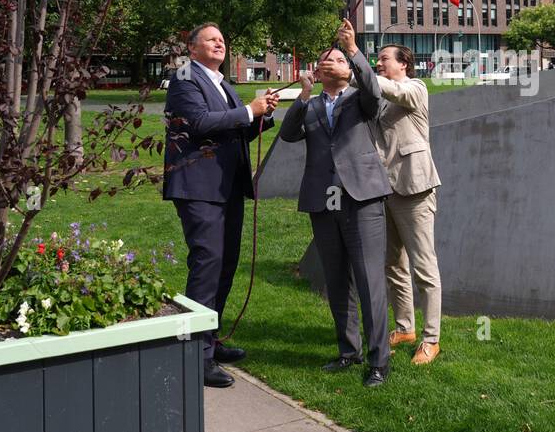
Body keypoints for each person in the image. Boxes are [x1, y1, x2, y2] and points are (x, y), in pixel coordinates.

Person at [278, 21, 393, 386]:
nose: (332, 61)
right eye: (327, 58)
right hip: (322, 200)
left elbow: (375, 93)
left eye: (339, 60)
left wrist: (354, 49)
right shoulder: (310, 106)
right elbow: (288, 133)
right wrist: (302, 94)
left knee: (369, 278)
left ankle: (379, 361)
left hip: (362, 198)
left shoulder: (361, 99)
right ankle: (348, 351)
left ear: (348, 70)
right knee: (336, 280)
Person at [163, 23, 278, 387]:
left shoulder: (221, 82)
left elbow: (235, 129)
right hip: (198, 187)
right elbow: (198, 123)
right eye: (211, 39)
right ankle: (197, 357)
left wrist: (263, 115)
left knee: (226, 264)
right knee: (207, 265)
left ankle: (210, 338)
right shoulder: (184, 77)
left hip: (227, 187)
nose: (219, 43)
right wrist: (249, 109)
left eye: (222, 40)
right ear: (191, 47)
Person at [374, 43, 443, 365]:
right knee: (393, 265)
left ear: (403, 64)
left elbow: (392, 91)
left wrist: (356, 65)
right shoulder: (381, 99)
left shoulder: (416, 88)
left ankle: (431, 339)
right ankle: (405, 328)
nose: (379, 63)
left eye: (384, 59)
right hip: (385, 191)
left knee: (424, 269)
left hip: (415, 191)